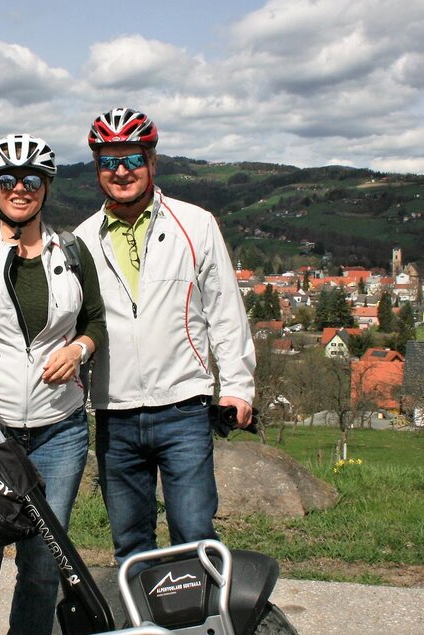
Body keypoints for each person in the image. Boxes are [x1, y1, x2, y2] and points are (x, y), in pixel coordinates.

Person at [0, 133, 106, 635]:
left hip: (59, 430)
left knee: (43, 567)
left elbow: (96, 322)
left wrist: (78, 350)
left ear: (46, 187)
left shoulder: (70, 250)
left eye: (31, 180)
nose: (19, 188)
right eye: (7, 180)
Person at [72, 108, 256, 566]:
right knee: (131, 545)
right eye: (109, 161)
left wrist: (236, 387)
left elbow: (226, 313)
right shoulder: (81, 239)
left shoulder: (195, 224)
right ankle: (146, 628)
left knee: (194, 534)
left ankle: (203, 625)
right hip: (114, 411)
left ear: (153, 162)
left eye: (132, 158)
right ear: (96, 168)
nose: (121, 171)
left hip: (183, 408)